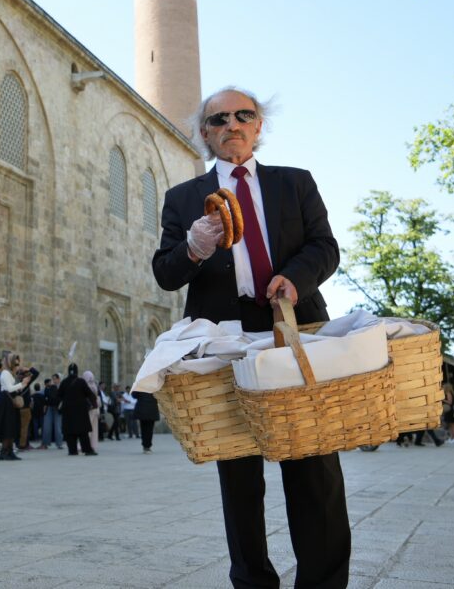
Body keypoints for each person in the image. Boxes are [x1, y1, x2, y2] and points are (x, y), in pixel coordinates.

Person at [152, 86, 347, 588]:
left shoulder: (295, 184)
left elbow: (325, 247)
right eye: (219, 119)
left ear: (259, 126)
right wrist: (193, 249)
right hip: (224, 339)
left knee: (314, 468)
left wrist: (296, 278)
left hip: (293, 330)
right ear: (204, 133)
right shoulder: (183, 199)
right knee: (239, 476)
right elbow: (166, 274)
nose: (232, 125)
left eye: (244, 116)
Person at [0, 353, 32, 461]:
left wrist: (22, 384)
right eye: (15, 363)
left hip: (10, 401)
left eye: (18, 363)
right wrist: (23, 384)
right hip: (7, 402)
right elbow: (9, 388)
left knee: (12, 427)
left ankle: (8, 451)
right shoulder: (5, 373)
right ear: (10, 363)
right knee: (8, 427)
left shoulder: (10, 374)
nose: (17, 365)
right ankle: (5, 452)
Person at [59, 364, 96, 456]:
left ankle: (72, 450)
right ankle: (87, 450)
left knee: (70, 432)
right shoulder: (81, 381)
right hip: (81, 411)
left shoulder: (64, 382)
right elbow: (90, 394)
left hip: (68, 411)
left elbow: (58, 396)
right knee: (83, 432)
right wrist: (94, 404)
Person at [40, 373, 64, 449]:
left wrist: (61, 405)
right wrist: (45, 405)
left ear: (58, 379)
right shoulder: (50, 388)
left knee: (58, 426)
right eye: (52, 379)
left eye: (55, 379)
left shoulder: (62, 387)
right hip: (50, 407)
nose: (53, 380)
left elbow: (63, 397)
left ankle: (59, 444)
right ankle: (45, 443)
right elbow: (46, 397)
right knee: (47, 425)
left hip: (58, 408)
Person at [132, 390, 160, 454]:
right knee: (149, 429)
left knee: (144, 429)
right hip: (151, 410)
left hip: (143, 410)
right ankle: (147, 446)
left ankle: (145, 446)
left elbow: (134, 395)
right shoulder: (154, 385)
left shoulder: (140, 385)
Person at [84, 371, 101, 451]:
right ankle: (93, 445)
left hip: (89, 409)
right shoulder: (94, 385)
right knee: (94, 429)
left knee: (87, 428)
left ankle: (85, 445)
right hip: (96, 409)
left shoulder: (86, 386)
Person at [441, 379, 454, 444]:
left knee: (452, 424)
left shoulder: (448, 393)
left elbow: (450, 402)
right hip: (450, 410)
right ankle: (453, 437)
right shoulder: (450, 392)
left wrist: (443, 400)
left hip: (449, 411)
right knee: (452, 424)